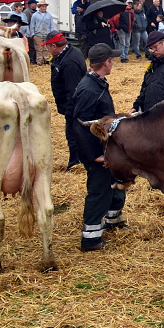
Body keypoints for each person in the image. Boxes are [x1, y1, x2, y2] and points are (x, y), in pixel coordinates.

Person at [72, 42, 125, 251]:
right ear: (106, 62)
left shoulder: (97, 83)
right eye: (112, 60)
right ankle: (91, 238)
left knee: (113, 184)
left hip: (104, 148)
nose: (114, 63)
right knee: (99, 190)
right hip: (96, 152)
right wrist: (96, 155)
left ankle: (113, 219)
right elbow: (81, 125)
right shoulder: (88, 89)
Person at [44, 31, 87, 171]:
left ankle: (76, 162)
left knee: (73, 133)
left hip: (75, 106)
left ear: (54, 46)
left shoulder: (69, 63)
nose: (47, 50)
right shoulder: (70, 53)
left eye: (48, 46)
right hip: (73, 105)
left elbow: (72, 89)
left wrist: (70, 110)